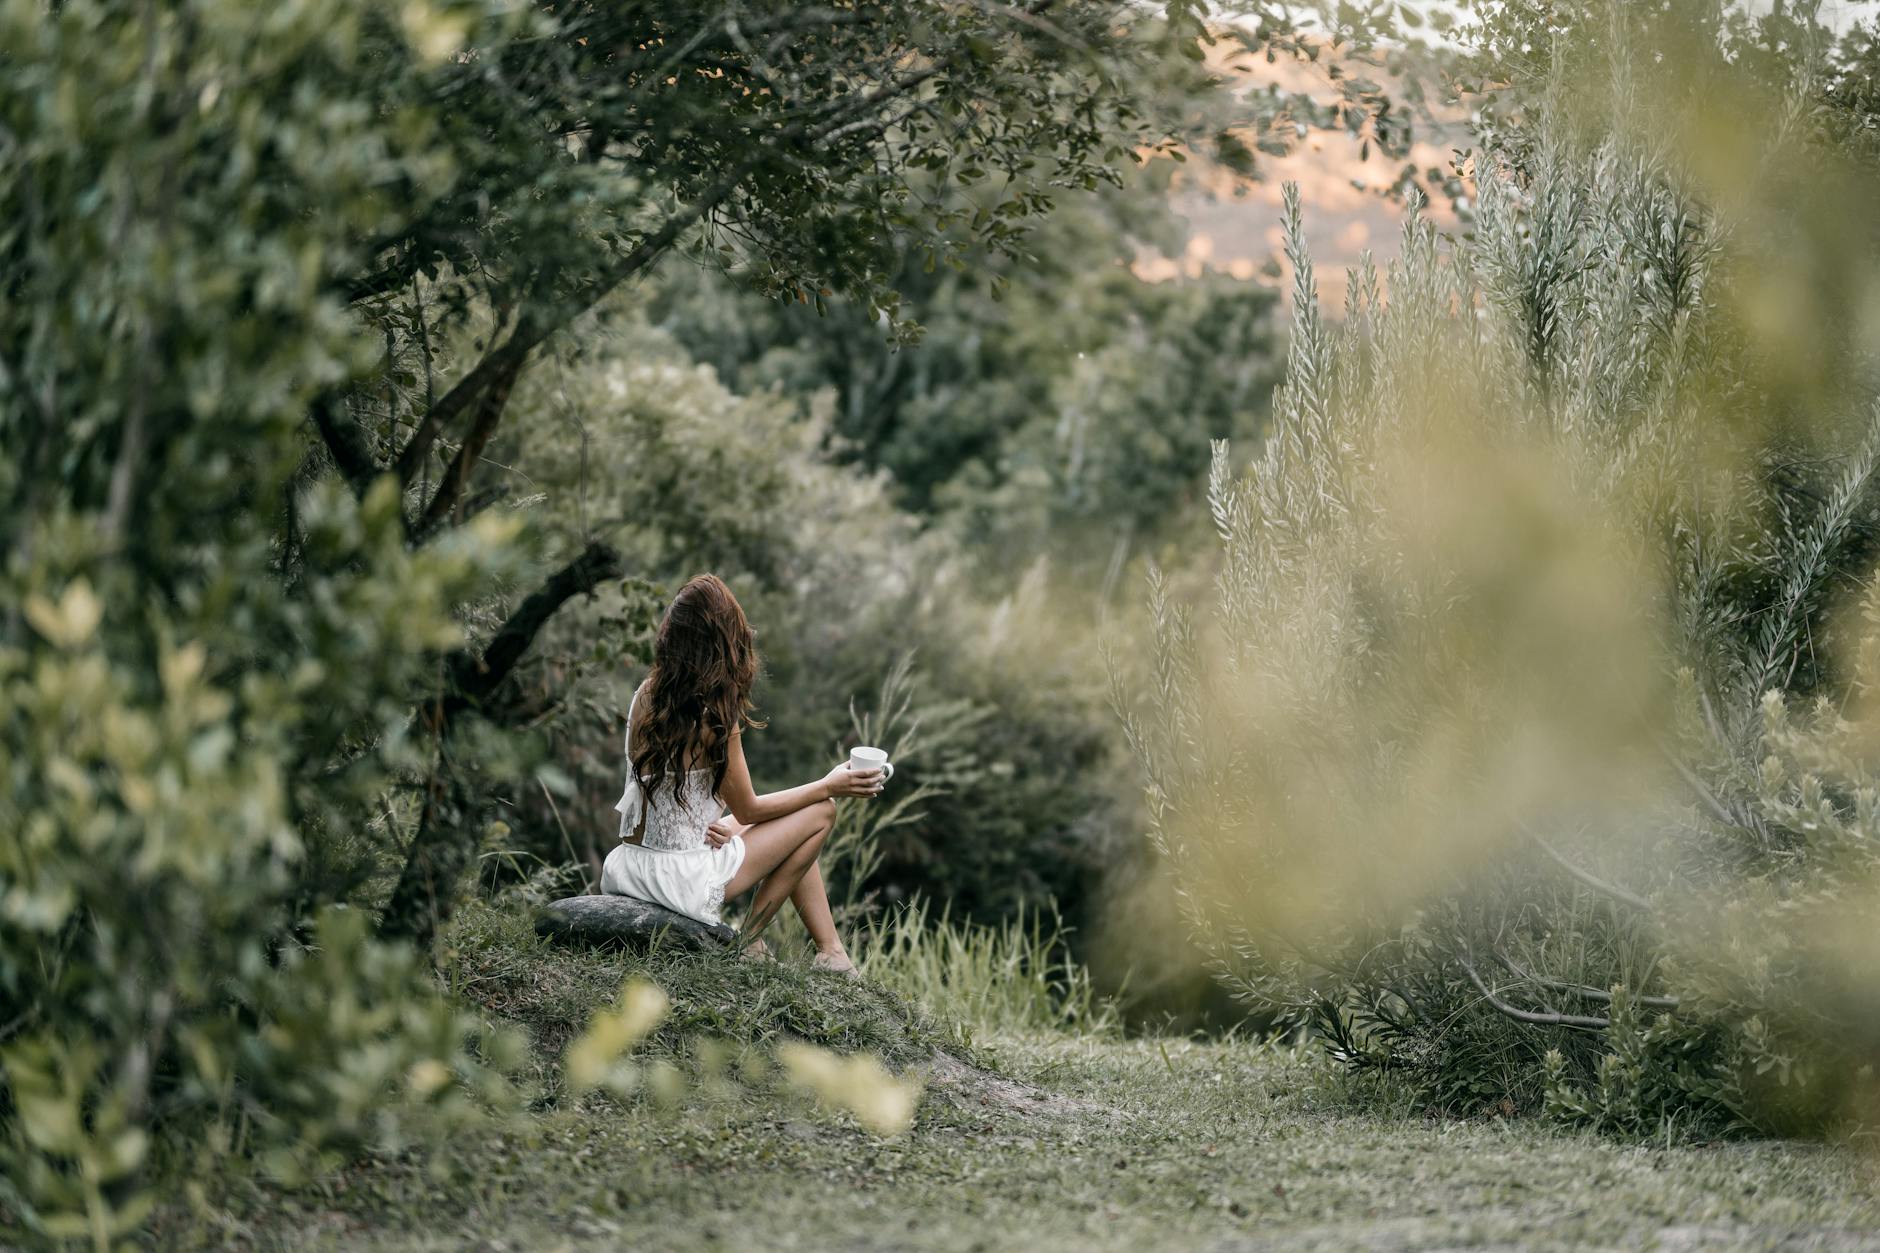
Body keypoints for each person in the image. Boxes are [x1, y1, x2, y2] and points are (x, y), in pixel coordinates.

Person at [600, 573, 883, 973]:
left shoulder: (644, 696)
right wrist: (828, 784)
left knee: (792, 823)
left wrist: (729, 827)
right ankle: (750, 940)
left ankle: (832, 953)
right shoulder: (713, 714)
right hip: (681, 881)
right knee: (821, 812)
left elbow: (686, 810)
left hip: (629, 867)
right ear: (722, 643)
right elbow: (749, 810)